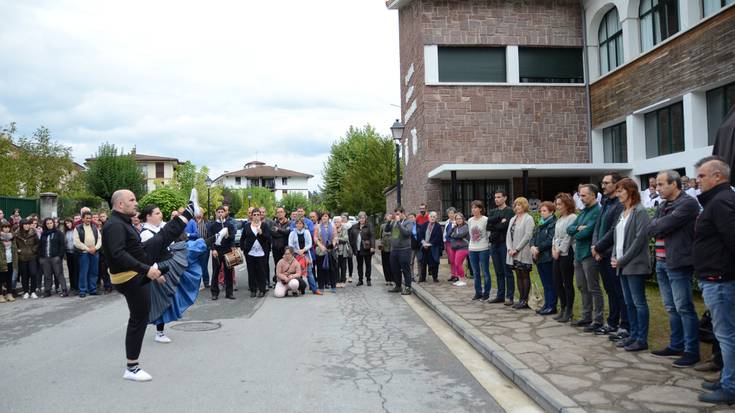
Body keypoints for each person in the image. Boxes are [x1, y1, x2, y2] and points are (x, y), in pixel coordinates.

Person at [102, 189, 196, 382]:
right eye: (132, 199)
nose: (136, 202)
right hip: (130, 277)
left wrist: (151, 269)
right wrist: (147, 270)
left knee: (162, 238)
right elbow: (118, 254)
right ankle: (132, 368)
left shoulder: (121, 222)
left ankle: (188, 212)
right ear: (120, 204)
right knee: (138, 319)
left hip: (137, 268)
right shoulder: (114, 226)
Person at [692, 156, 735, 404]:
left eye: (701, 176)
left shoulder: (721, 202)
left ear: (717, 176)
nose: (698, 181)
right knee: (724, 334)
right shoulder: (717, 200)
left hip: (720, 279)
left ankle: (730, 386)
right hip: (715, 277)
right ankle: (726, 378)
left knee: (727, 335)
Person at [648, 170, 701, 367]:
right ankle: (676, 344)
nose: (657, 188)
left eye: (661, 184)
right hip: (662, 261)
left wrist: (659, 224)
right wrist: (659, 224)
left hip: (678, 262)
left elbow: (661, 226)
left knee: (684, 307)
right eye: (657, 185)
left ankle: (691, 350)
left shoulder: (688, 203)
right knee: (671, 307)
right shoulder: (663, 205)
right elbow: (652, 228)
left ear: (675, 184)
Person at [611, 178, 651, 352]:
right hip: (621, 263)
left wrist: (623, 259)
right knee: (629, 302)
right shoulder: (623, 212)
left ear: (630, 191)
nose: (618, 194)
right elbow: (616, 237)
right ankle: (633, 335)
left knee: (638, 302)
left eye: (621, 191)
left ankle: (641, 338)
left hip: (634, 264)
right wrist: (614, 256)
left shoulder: (640, 211)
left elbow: (640, 239)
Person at [591, 172, 628, 338]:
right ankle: (612, 322)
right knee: (610, 290)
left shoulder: (619, 205)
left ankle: (624, 325)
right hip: (600, 253)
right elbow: (598, 227)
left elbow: (614, 230)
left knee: (619, 291)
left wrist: (598, 247)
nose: (603, 186)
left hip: (610, 253)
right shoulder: (605, 202)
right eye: (602, 183)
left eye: (607, 183)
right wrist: (594, 246)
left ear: (616, 184)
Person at [567, 184, 603, 329]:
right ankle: (586, 316)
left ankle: (598, 319)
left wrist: (578, 231)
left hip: (589, 254)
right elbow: (569, 229)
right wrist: (577, 228)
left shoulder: (597, 211)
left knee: (593, 287)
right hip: (579, 254)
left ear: (593, 195)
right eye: (580, 195)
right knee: (582, 286)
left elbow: (586, 233)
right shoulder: (582, 212)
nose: (581, 198)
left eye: (584, 195)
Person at [506, 197, 535, 309]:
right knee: (517, 274)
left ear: (525, 206)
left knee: (524, 274)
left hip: (522, 251)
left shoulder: (528, 219)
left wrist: (517, 249)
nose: (517, 207)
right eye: (516, 205)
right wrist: (509, 248)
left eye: (520, 205)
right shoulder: (513, 219)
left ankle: (525, 300)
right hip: (512, 252)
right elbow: (508, 235)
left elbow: (528, 235)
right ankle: (521, 299)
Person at [552, 193, 577, 323]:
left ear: (567, 204)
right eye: (556, 204)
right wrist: (554, 249)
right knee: (557, 282)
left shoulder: (572, 218)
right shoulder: (559, 218)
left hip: (567, 254)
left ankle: (569, 310)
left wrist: (560, 250)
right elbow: (555, 236)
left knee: (567, 283)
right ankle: (562, 307)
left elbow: (569, 237)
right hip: (557, 253)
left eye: (560, 204)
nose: (557, 206)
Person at [487, 190, 515, 304]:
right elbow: (488, 226)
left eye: (499, 197)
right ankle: (500, 295)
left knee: (507, 271)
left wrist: (496, 224)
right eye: (495, 197)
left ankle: (510, 296)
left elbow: (506, 226)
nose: (496, 199)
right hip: (494, 244)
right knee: (498, 271)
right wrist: (499, 221)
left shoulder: (509, 211)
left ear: (505, 198)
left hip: (504, 244)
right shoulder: (493, 211)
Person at [531, 201, 556, 315]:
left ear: (551, 211)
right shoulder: (540, 223)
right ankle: (546, 304)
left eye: (544, 211)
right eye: (540, 211)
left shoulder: (553, 223)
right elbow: (534, 236)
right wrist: (532, 246)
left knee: (550, 282)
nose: (542, 213)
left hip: (547, 257)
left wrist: (538, 249)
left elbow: (550, 240)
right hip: (539, 257)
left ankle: (552, 305)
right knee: (544, 283)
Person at [208, 206, 237, 300]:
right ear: (216, 213)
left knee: (228, 272)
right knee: (215, 272)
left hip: (227, 250)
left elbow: (232, 237)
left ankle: (229, 293)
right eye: (218, 212)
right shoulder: (212, 226)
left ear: (225, 213)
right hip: (217, 251)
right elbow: (210, 239)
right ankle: (214, 292)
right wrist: (213, 249)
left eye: (222, 212)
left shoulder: (229, 225)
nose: (220, 214)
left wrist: (228, 236)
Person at [241, 208, 271, 298]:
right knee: (251, 271)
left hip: (261, 253)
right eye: (255, 215)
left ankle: (262, 290)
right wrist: (243, 249)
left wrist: (262, 233)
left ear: (260, 216)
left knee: (261, 271)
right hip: (250, 253)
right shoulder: (247, 226)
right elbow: (243, 238)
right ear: (252, 216)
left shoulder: (264, 225)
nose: (257, 216)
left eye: (258, 214)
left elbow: (268, 238)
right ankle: (253, 289)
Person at [288, 218, 320, 295]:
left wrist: (303, 250)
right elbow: (290, 244)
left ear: (303, 225)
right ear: (295, 224)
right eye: (297, 223)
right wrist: (297, 251)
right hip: (296, 255)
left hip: (306, 254)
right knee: (297, 272)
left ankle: (314, 289)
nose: (299, 225)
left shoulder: (307, 232)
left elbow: (310, 243)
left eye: (300, 223)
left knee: (309, 272)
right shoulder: (292, 233)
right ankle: (299, 289)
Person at [74, 211, 101, 298]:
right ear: (82, 219)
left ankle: (92, 289)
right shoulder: (77, 228)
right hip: (84, 253)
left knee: (94, 271)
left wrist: (95, 248)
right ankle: (82, 290)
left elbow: (100, 239)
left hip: (94, 252)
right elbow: (77, 242)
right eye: (87, 218)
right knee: (84, 272)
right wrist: (88, 249)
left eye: (90, 218)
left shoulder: (94, 227)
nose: (88, 220)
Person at [468, 200, 491, 301]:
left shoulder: (485, 220)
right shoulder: (470, 220)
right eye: (472, 208)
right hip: (472, 249)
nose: (473, 210)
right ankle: (478, 292)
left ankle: (486, 293)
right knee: (475, 272)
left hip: (483, 249)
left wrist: (488, 246)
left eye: (475, 208)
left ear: (480, 209)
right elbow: (470, 234)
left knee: (485, 271)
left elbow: (488, 234)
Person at [388, 207, 414, 295]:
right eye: (395, 214)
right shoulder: (394, 222)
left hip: (404, 249)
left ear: (403, 213)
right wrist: (388, 221)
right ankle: (398, 286)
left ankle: (408, 287)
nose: (396, 216)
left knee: (405, 269)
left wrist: (399, 223)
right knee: (395, 269)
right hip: (394, 249)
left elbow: (407, 233)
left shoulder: (408, 222)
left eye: (398, 214)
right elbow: (387, 229)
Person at [39, 218, 67, 297]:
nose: (49, 225)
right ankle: (47, 291)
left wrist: (59, 256)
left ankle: (64, 290)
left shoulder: (58, 233)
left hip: (55, 258)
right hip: (45, 258)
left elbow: (62, 245)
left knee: (59, 274)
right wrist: (41, 257)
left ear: (53, 223)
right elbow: (40, 246)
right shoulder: (43, 234)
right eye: (47, 223)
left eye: (51, 223)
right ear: (45, 225)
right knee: (47, 275)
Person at [349, 211, 375, 286]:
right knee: (359, 265)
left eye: (363, 218)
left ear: (365, 218)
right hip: (358, 249)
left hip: (367, 248)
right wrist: (352, 245)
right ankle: (360, 280)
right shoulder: (354, 226)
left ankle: (368, 279)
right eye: (360, 218)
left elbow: (372, 236)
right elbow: (351, 237)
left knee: (368, 264)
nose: (361, 219)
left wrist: (372, 246)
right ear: (358, 218)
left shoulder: (369, 225)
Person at [16, 218, 39, 299]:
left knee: (33, 273)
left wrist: (33, 250)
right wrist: (18, 251)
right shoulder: (17, 234)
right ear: (21, 225)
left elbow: (37, 243)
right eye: (25, 224)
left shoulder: (33, 232)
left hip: (32, 257)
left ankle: (33, 291)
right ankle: (26, 291)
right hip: (22, 258)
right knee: (24, 275)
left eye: (28, 224)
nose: (26, 226)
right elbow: (14, 245)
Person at [314, 212, 337, 293]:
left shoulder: (333, 226)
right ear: (321, 218)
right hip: (321, 250)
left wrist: (332, 245)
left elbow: (335, 237)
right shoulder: (318, 226)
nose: (324, 217)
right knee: (320, 269)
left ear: (328, 217)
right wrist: (321, 246)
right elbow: (315, 238)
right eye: (323, 216)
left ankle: (333, 286)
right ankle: (321, 286)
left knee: (332, 268)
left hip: (330, 250)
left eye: (326, 216)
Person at [418, 211, 443, 283]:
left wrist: (429, 244)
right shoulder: (424, 225)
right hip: (424, 247)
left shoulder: (438, 226)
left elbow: (438, 237)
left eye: (434, 217)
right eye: (431, 216)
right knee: (423, 263)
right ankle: (422, 278)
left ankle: (435, 277)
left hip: (433, 247)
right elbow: (420, 235)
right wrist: (423, 243)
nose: (432, 218)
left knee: (434, 263)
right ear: (428, 217)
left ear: (436, 218)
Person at [270, 207, 291, 286]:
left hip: (285, 248)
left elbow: (288, 233)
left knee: (286, 265)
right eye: (278, 212)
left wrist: (278, 230)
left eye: (281, 212)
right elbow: (273, 233)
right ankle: (277, 281)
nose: (279, 213)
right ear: (276, 214)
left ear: (284, 213)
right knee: (277, 265)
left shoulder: (289, 223)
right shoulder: (273, 223)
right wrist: (282, 232)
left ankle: (286, 280)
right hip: (276, 248)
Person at [448, 212, 469, 287]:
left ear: (463, 219)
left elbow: (460, 235)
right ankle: (460, 279)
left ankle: (463, 280)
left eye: (460, 218)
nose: (458, 220)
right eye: (457, 219)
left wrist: (454, 235)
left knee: (458, 263)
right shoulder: (456, 227)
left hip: (463, 247)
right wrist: (453, 227)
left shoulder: (466, 226)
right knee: (455, 264)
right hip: (455, 248)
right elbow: (448, 234)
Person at [0, 221, 17, 302]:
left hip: (11, 260)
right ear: (2, 228)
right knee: (1, 278)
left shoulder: (12, 237)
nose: (6, 229)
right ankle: (0, 295)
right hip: (1, 261)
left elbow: (14, 248)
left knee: (9, 278)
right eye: (5, 227)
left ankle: (9, 294)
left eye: (8, 227)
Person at [333, 217, 351, 288]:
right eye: (335, 222)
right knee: (336, 266)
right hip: (335, 250)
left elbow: (346, 238)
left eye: (338, 222)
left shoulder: (344, 229)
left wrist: (338, 239)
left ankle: (343, 280)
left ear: (341, 222)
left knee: (343, 266)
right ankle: (337, 281)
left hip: (343, 250)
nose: (336, 223)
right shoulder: (333, 229)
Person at [62, 219, 79, 294]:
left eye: (69, 223)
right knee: (70, 270)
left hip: (76, 252)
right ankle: (72, 286)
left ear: (72, 223)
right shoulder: (65, 232)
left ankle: (77, 286)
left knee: (76, 270)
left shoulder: (76, 230)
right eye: (66, 223)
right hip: (68, 253)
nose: (68, 224)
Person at [378, 213, 394, 286]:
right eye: (388, 216)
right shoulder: (382, 226)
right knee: (385, 263)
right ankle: (387, 279)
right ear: (385, 218)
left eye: (390, 216)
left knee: (392, 263)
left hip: (392, 247)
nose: (389, 218)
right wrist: (381, 244)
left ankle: (392, 279)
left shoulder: (394, 225)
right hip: (384, 246)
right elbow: (380, 235)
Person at [443, 208, 457, 282]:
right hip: (447, 242)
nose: (450, 215)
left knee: (455, 259)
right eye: (449, 213)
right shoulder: (447, 222)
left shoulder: (456, 222)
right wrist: (444, 241)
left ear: (455, 213)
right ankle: (452, 274)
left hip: (454, 242)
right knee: (451, 260)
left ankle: (456, 275)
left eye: (452, 213)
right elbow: (445, 233)